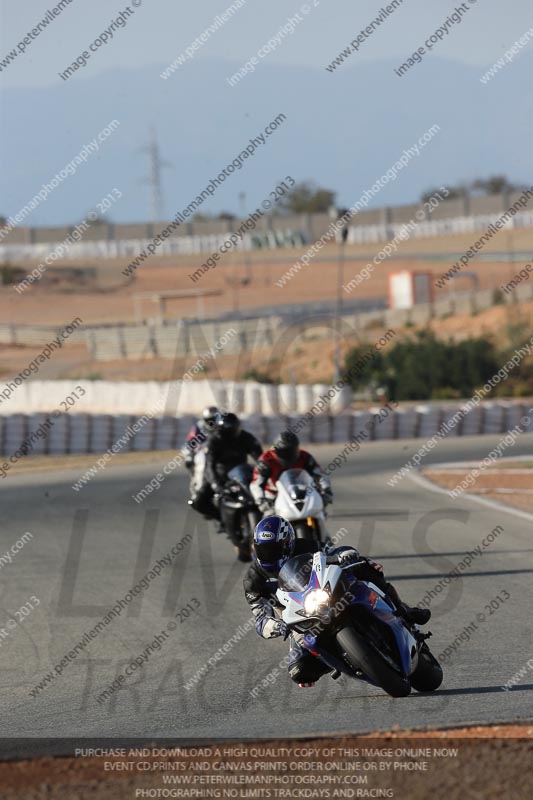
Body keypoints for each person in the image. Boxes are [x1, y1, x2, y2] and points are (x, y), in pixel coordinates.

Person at [243, 515, 431, 688]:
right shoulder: (253, 580)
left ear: (287, 543)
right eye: (263, 549)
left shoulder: (304, 545)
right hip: (296, 619)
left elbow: (331, 551)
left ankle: (404, 611)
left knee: (364, 566)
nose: (269, 554)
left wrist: (343, 554)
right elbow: (259, 619)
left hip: (324, 593)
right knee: (299, 671)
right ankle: (337, 659)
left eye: (274, 548)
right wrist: (276, 626)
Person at [189, 412, 262, 527]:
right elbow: (209, 465)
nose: (231, 433)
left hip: (242, 474)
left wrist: (264, 470)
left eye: (233, 429)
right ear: (219, 429)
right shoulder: (214, 441)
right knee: (197, 501)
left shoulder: (246, 437)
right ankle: (221, 519)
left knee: (263, 495)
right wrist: (215, 484)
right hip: (220, 475)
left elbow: (260, 458)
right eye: (227, 430)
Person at [250, 430, 333, 514]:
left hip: (301, 492)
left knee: (320, 511)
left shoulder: (305, 456)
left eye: (292, 450)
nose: (288, 454)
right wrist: (260, 499)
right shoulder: (266, 460)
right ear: (275, 450)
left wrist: (326, 490)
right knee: (269, 516)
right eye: (284, 452)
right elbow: (256, 483)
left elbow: (319, 474)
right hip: (273, 495)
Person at [182, 406, 220, 473]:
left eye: (213, 419)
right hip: (202, 452)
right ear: (205, 419)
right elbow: (190, 441)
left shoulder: (221, 426)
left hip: (218, 451)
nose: (211, 422)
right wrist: (190, 453)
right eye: (209, 419)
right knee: (189, 460)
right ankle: (195, 478)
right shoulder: (199, 426)